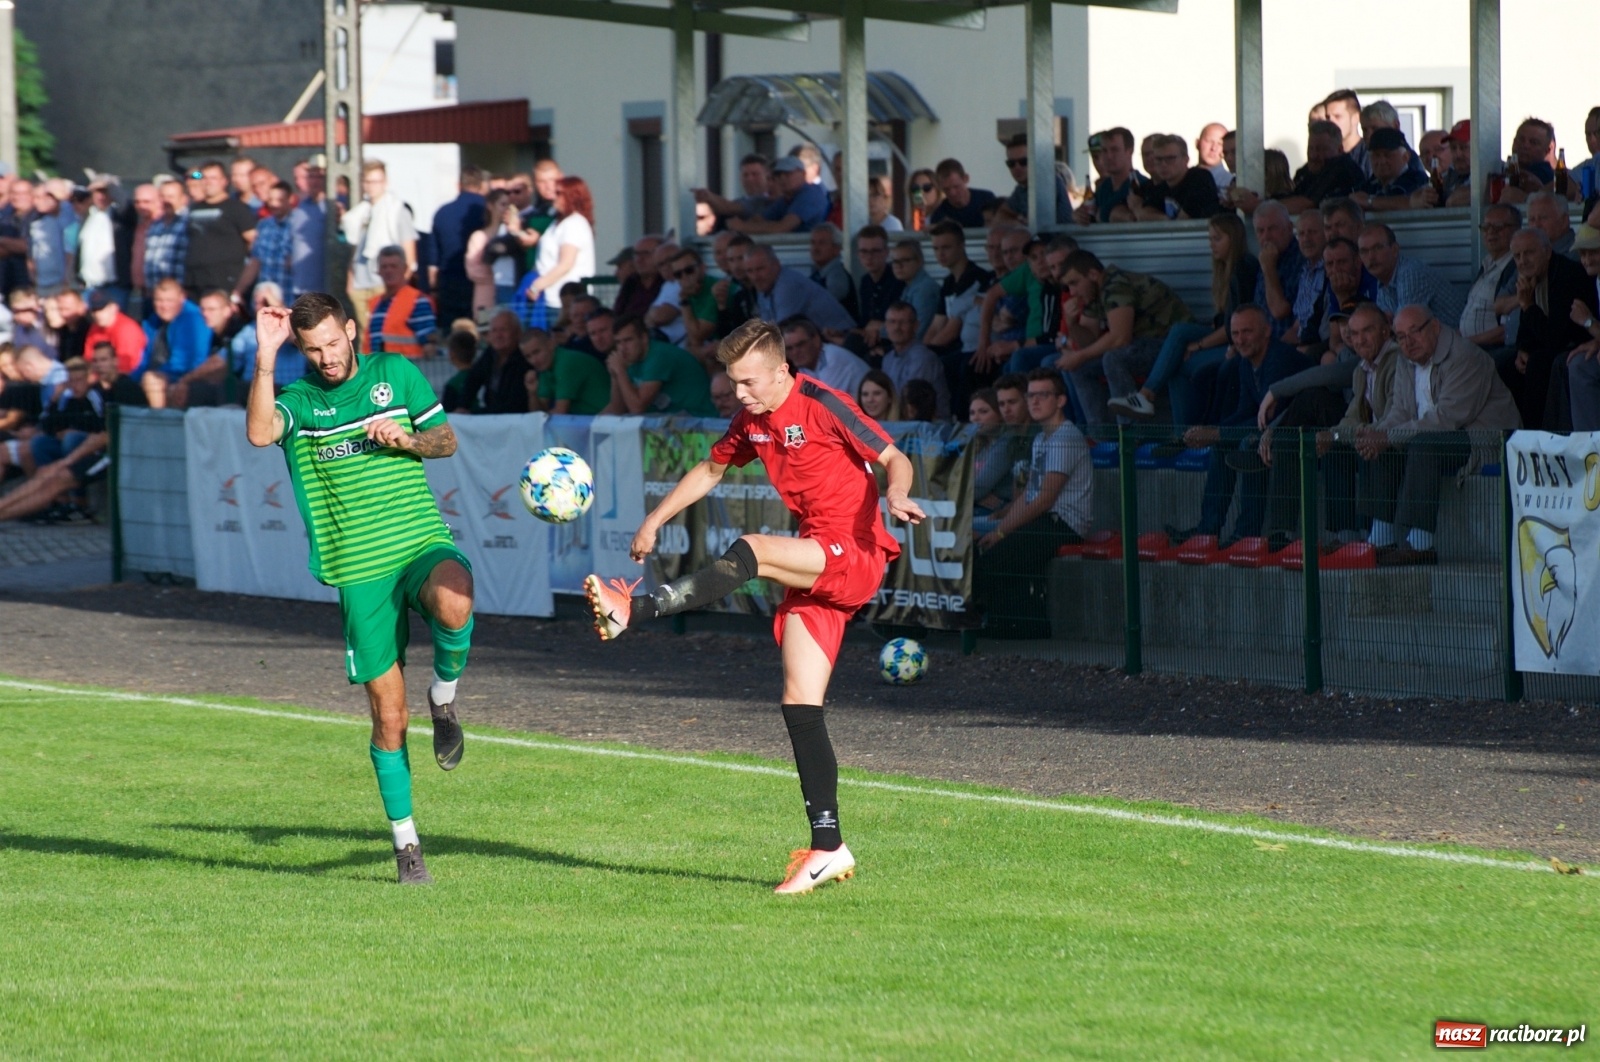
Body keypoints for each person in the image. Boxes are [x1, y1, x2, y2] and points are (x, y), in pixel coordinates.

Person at [582, 318, 925, 894]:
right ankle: (827, 846)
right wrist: (653, 519)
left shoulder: (823, 402)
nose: (739, 394)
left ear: (782, 370)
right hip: (816, 557)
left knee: (755, 550)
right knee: (799, 702)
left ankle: (635, 612)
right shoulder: (753, 419)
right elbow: (712, 468)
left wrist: (896, 493)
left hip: (855, 550)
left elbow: (893, 456)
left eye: (748, 382)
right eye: (733, 383)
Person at [246, 293, 475, 885]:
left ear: (351, 331)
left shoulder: (394, 374)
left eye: (332, 342)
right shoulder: (300, 400)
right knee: (388, 718)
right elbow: (258, 432)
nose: (325, 357)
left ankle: (444, 698)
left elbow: (445, 441)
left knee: (457, 598)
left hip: (418, 539)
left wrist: (407, 439)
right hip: (360, 569)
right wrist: (265, 359)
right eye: (311, 348)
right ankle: (406, 847)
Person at [1360, 305, 1520, 566]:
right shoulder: (1404, 360)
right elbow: (1399, 411)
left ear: (1434, 327)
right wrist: (1376, 434)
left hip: (1482, 441)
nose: (1408, 343)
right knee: (1380, 443)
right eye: (1400, 337)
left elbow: (1447, 419)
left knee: (1424, 444)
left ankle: (1422, 544)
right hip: (1436, 437)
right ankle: (1380, 539)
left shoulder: (1465, 356)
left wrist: (1388, 436)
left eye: (1415, 332)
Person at [972, 368, 1090, 637]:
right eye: (1031, 396)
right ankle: (1010, 623)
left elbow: (1045, 498)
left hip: (1063, 522)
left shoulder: (1065, 438)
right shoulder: (1040, 438)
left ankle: (1008, 626)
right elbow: (1028, 494)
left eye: (1043, 395)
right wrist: (1002, 527)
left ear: (1060, 400)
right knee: (988, 546)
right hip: (1043, 518)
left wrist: (1003, 530)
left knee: (998, 556)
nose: (1034, 402)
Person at [1109, 212, 1258, 423]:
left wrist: (1198, 345)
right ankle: (1147, 398)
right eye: (1210, 239)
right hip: (1226, 334)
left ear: (1233, 239)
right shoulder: (1225, 271)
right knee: (1180, 330)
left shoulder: (1243, 269)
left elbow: (1233, 329)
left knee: (1179, 365)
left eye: (1217, 239)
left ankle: (1181, 431)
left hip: (1240, 342)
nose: (1211, 245)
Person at [1054, 249, 1194, 428]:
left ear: (1093, 274)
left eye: (1074, 283)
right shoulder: (1093, 291)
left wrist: (1079, 356)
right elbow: (1089, 342)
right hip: (1145, 344)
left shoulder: (1116, 284)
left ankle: (1129, 433)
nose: (1072, 292)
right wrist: (1072, 324)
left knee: (1114, 358)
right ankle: (1103, 436)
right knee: (1081, 368)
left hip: (1171, 345)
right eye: (1068, 286)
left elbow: (1120, 338)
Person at [343, 160, 418, 333]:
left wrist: (400, 288)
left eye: (375, 181)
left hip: (383, 283)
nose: (371, 187)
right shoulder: (361, 212)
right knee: (365, 337)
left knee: (384, 332)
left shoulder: (396, 210)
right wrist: (351, 282)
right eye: (367, 182)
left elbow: (410, 255)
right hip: (360, 284)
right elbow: (356, 248)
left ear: (385, 182)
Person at [603, 314, 715, 416]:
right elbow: (617, 410)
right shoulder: (630, 359)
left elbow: (637, 408)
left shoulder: (659, 356)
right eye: (618, 342)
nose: (622, 349)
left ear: (644, 338)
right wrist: (615, 375)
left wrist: (620, 371)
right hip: (672, 421)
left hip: (698, 419)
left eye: (628, 340)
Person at [521, 176, 596, 329]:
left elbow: (566, 263)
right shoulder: (556, 223)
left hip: (562, 301)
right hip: (549, 297)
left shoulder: (574, 223)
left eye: (559, 193)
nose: (554, 197)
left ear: (572, 196)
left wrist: (538, 285)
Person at [1359, 222, 1463, 325]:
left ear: (1395, 250)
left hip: (1457, 338)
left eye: (1377, 248)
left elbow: (1405, 327)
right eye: (1364, 251)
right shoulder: (1383, 282)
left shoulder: (1411, 274)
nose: (1371, 257)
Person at [183, 160, 257, 299]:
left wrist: (240, 285)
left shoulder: (237, 208)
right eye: (204, 178)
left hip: (224, 282)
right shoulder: (194, 209)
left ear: (224, 181)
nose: (208, 182)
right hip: (193, 282)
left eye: (213, 178)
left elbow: (253, 243)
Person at [743, 245, 855, 334]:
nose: (755, 277)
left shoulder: (788, 285)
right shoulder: (764, 285)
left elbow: (780, 335)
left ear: (776, 265)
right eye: (749, 271)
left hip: (843, 340)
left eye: (760, 269)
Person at [428, 167, 488, 329]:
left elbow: (433, 260)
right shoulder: (486, 210)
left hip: (449, 282)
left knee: (452, 332)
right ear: (482, 186)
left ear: (459, 185)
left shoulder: (442, 213)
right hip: (480, 281)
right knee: (481, 329)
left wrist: (434, 288)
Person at [880, 301, 950, 418]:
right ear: (886, 326)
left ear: (916, 325)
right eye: (892, 322)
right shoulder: (887, 359)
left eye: (903, 322)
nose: (897, 328)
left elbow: (912, 402)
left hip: (928, 428)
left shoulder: (923, 358)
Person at [365, 246, 437, 358]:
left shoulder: (417, 301)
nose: (389, 271)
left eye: (394, 266)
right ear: (378, 271)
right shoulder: (375, 304)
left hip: (406, 371)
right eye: (384, 267)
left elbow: (429, 346)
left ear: (405, 268)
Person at [727, 157, 828, 236]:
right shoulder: (786, 198)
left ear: (803, 173)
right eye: (778, 175)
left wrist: (742, 227)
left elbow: (782, 227)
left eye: (788, 174)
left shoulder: (811, 193)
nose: (782, 178)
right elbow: (759, 219)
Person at [1129, 134, 1219, 221]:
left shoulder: (1199, 178)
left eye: (1170, 158)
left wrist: (1139, 209)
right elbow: (1144, 214)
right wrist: (1165, 219)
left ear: (1186, 159)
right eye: (1158, 159)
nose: (1163, 164)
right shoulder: (1162, 186)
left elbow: (1184, 222)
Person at [522, 326, 609, 415]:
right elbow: (538, 413)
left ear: (551, 344)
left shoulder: (566, 362)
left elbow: (560, 412)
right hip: (591, 423)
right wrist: (532, 393)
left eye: (536, 352)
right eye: (528, 356)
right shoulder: (545, 367)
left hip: (611, 421)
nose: (534, 361)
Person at [233, 180, 295, 305]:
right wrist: (238, 291)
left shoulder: (298, 224)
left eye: (279, 200)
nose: (274, 204)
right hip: (264, 296)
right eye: (271, 199)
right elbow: (255, 262)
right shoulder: (264, 225)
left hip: (289, 296)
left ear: (290, 200)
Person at [782, 315, 869, 401]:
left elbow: (825, 403)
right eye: (789, 348)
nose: (795, 352)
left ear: (816, 340)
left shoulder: (834, 356)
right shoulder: (804, 366)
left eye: (800, 345)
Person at [997, 134, 1073, 227]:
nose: (1017, 167)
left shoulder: (1048, 183)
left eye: (1023, 162)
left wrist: (1018, 222)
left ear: (1037, 160)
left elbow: (1039, 225)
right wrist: (1017, 222)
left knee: (1010, 240)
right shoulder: (1022, 188)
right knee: (996, 236)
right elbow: (1000, 217)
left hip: (1057, 240)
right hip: (1041, 239)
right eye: (1011, 163)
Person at [1073, 128, 1140, 224]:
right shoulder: (1104, 187)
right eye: (1104, 151)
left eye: (1115, 150)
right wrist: (1077, 215)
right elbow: (1085, 211)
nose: (1108, 156)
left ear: (1129, 151)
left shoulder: (1141, 185)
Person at [1352, 128, 1428, 212]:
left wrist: (1369, 201)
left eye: (1387, 155)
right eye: (1376, 155)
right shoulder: (1368, 185)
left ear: (1406, 157)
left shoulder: (1418, 181)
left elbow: (1412, 203)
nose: (1381, 161)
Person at [465, 188, 512, 321]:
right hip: (485, 295)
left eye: (509, 205)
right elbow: (473, 270)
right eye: (503, 204)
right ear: (490, 206)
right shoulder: (479, 236)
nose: (506, 209)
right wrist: (496, 273)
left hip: (508, 294)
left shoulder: (511, 235)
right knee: (485, 331)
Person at [853, 225, 903, 349]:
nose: (869, 257)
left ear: (886, 252)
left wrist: (879, 326)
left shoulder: (898, 279)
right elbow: (865, 321)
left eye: (875, 251)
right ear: (858, 254)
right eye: (864, 251)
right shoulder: (865, 282)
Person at [84, 289, 147, 376]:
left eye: (102, 309)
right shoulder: (95, 327)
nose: (98, 314)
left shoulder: (126, 329)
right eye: (94, 310)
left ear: (114, 308)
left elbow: (126, 366)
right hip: (101, 376)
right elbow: (88, 358)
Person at [889, 238, 940, 342]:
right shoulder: (909, 286)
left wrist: (878, 330)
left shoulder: (924, 289)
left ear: (920, 261)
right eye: (895, 261)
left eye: (905, 260)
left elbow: (918, 330)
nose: (899, 266)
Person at [927, 158, 999, 229]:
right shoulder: (940, 215)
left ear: (966, 178)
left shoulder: (987, 199)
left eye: (956, 186)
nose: (952, 193)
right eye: (946, 189)